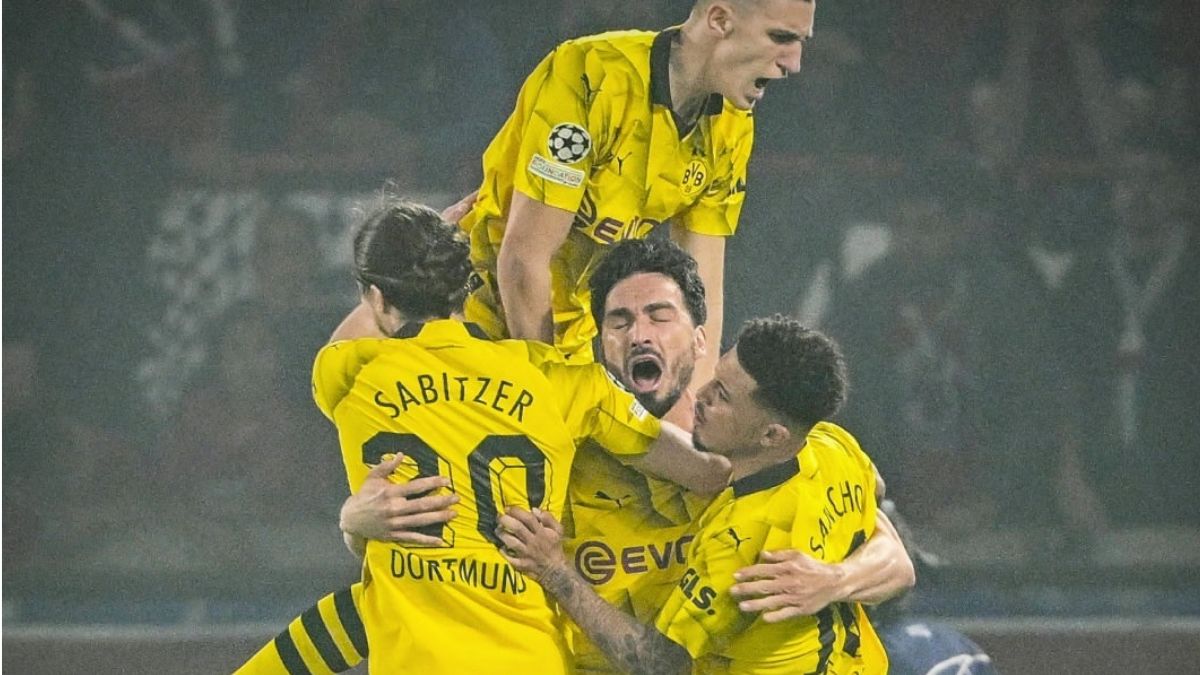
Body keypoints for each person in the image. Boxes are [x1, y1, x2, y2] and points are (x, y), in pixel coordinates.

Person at [236, 240, 914, 674]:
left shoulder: (780, 449)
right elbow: (415, 589)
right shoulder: (549, 461)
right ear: (597, 341)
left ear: (699, 338)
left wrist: (837, 579)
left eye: (659, 315)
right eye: (619, 320)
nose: (639, 334)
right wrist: (356, 522)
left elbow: (896, 554)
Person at [283, 198, 728, 674]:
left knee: (351, 611)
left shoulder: (350, 374)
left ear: (376, 296)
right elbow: (707, 473)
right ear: (464, 284)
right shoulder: (560, 381)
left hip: (417, 663)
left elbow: (348, 337)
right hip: (528, 660)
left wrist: (352, 521)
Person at [501, 316, 889, 673]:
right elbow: (875, 491)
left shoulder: (740, 544)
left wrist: (555, 570)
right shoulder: (834, 447)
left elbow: (659, 663)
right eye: (715, 377)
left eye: (723, 396)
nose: (701, 395)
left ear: (772, 435)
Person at [459, 0, 816, 383]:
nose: (794, 63)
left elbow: (702, 292)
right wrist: (543, 389)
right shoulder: (592, 74)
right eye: (780, 37)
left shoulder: (732, 125)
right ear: (719, 20)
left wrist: (695, 405)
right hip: (472, 314)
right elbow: (524, 258)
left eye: (800, 42)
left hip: (568, 343)